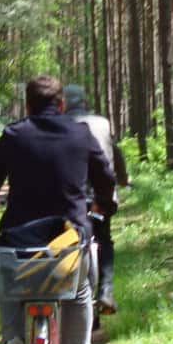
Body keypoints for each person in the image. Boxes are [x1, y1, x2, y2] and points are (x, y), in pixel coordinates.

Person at [0, 75, 118, 344]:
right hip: (69, 237)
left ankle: (14, 342)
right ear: (61, 104)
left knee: (8, 285)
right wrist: (104, 205)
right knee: (80, 291)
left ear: (27, 105)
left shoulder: (13, 135)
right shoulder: (80, 134)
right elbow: (105, 176)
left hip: (20, 238)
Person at [61, 84, 127, 320]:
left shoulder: (59, 125)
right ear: (84, 101)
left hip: (71, 198)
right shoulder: (102, 123)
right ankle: (106, 290)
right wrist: (124, 179)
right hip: (101, 195)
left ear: (63, 103)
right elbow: (115, 153)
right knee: (104, 240)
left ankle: (68, 295)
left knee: (66, 242)